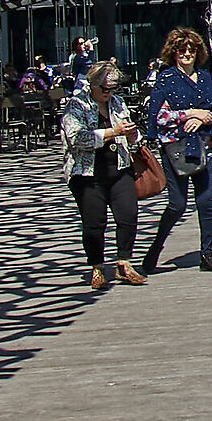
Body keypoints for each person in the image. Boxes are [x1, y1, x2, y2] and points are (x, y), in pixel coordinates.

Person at [141, 28, 212, 274]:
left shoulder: (205, 78)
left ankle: (207, 253)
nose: (187, 54)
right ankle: (153, 252)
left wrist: (205, 118)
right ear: (174, 53)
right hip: (175, 150)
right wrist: (190, 114)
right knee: (177, 205)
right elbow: (158, 117)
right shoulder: (166, 79)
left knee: (206, 200)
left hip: (204, 146)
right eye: (182, 50)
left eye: (192, 50)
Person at [63, 61, 145, 290]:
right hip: (88, 174)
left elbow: (133, 137)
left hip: (118, 167)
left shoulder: (117, 103)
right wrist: (111, 133)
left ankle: (124, 262)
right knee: (94, 223)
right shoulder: (77, 105)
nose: (108, 94)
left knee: (128, 215)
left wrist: (131, 136)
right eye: (104, 89)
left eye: (112, 89)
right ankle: (97, 266)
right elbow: (77, 139)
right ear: (93, 85)